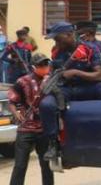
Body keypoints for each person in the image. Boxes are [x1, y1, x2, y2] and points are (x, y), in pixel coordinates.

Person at [40, 22, 101, 161]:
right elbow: (52, 71)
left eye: (58, 38)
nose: (56, 42)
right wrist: (46, 80)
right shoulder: (56, 50)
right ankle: (52, 144)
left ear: (69, 35)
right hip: (66, 89)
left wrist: (75, 72)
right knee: (46, 105)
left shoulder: (89, 48)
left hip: (87, 87)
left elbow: (99, 75)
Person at [7, 53, 55, 185]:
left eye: (46, 64)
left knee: (46, 166)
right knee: (20, 165)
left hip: (44, 129)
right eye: (41, 65)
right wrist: (15, 113)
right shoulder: (22, 82)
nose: (44, 67)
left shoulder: (51, 81)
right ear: (34, 67)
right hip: (26, 129)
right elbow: (11, 100)